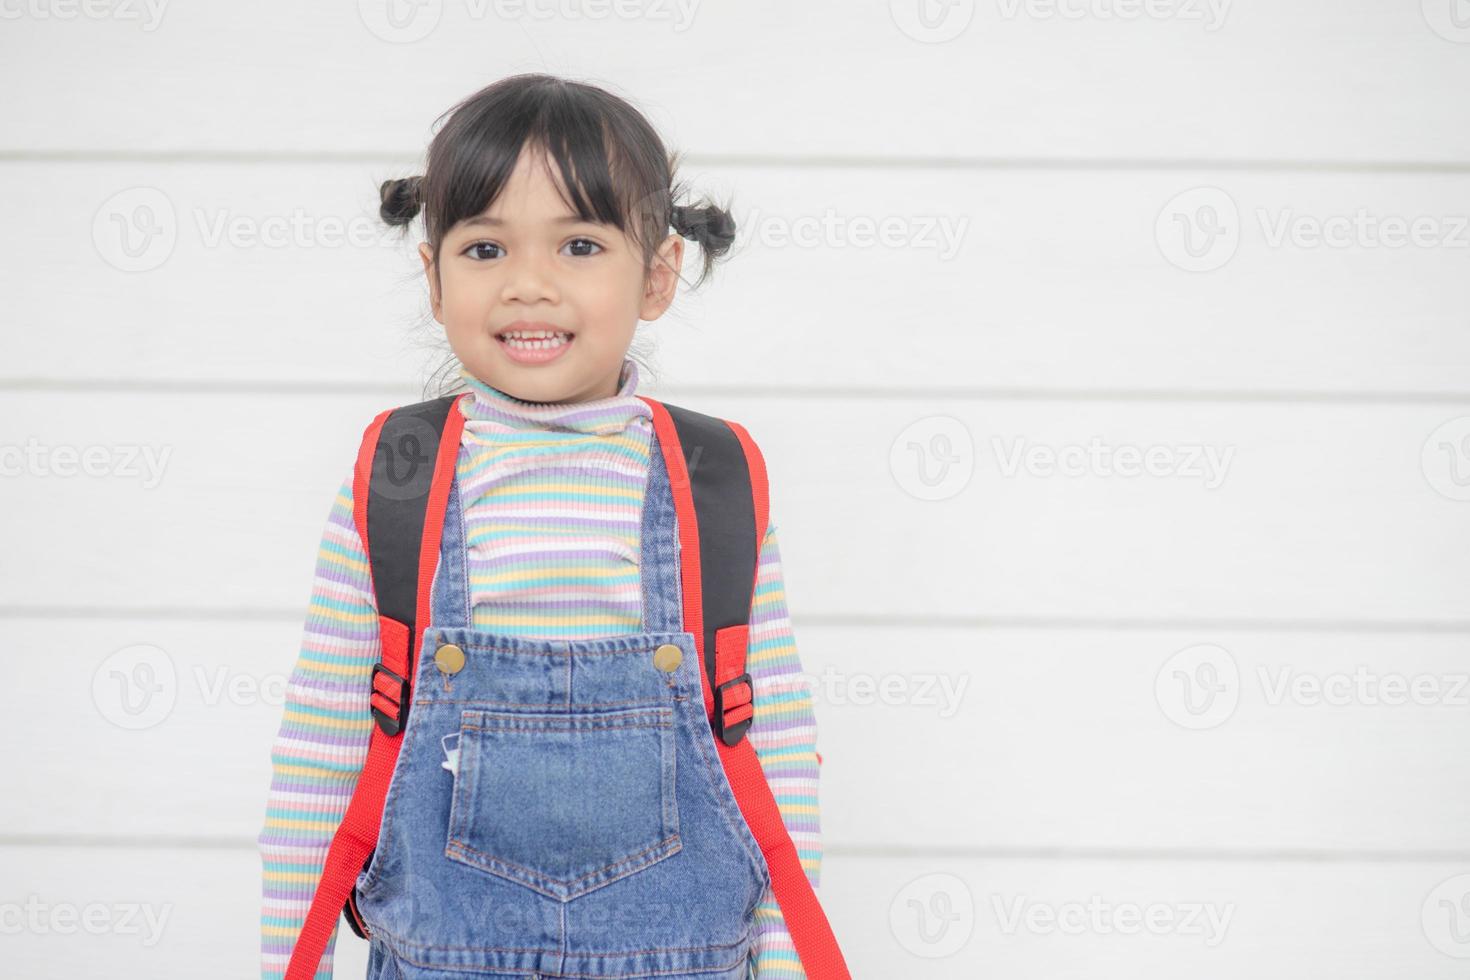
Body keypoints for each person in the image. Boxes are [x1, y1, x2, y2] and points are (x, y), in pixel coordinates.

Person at [257, 72, 825, 980]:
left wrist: (794, 957)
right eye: (485, 249)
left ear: (659, 274)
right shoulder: (397, 479)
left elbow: (776, 743)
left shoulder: (713, 481)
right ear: (433, 279)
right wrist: (287, 959)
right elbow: (322, 743)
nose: (528, 285)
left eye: (580, 245)